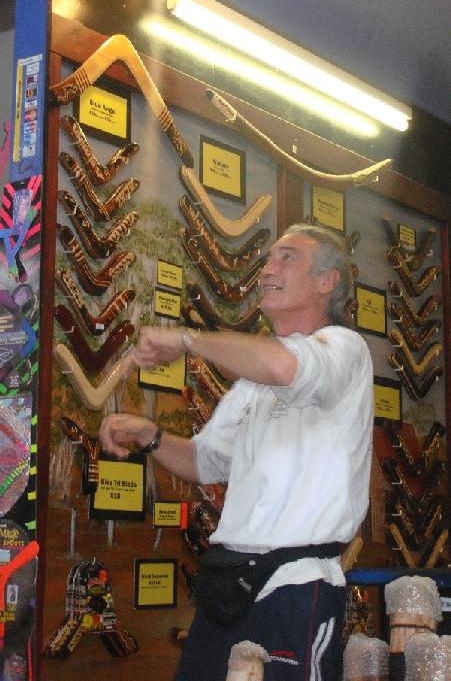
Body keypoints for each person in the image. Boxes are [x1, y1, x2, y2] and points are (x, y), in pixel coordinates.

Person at [100, 223, 374, 680]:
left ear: (328, 281)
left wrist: (187, 340)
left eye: (287, 257)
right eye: (268, 259)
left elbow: (284, 366)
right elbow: (203, 461)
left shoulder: (344, 348)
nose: (268, 268)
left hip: (295, 587)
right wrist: (150, 436)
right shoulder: (252, 381)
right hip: (229, 585)